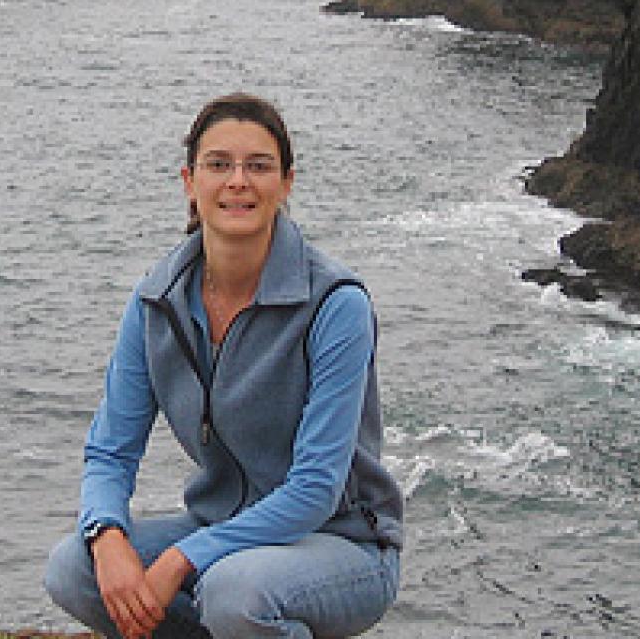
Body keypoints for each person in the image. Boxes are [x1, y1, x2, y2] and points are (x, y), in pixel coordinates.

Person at [44, 93, 403, 639]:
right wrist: (106, 533)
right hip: (219, 530)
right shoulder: (156, 302)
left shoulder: (335, 304)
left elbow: (315, 489)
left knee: (235, 592)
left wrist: (180, 560)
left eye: (258, 166)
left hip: (343, 543)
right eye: (218, 165)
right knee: (75, 569)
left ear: (286, 184)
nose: (238, 181)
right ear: (190, 182)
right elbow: (110, 450)